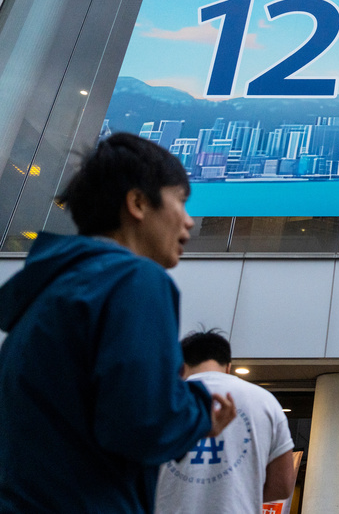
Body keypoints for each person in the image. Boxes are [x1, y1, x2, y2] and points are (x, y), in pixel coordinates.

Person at [0, 132, 236, 513]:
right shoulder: (134, 280)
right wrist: (198, 412)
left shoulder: (46, 293)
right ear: (138, 203)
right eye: (181, 200)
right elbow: (141, 421)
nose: (190, 222)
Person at [155, 329, 296, 513]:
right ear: (228, 367)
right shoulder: (265, 401)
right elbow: (283, 485)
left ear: (181, 366)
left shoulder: (159, 402)